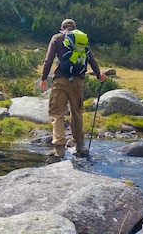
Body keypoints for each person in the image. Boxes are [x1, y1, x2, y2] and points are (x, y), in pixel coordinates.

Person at [40, 18, 107, 164]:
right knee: (77, 112)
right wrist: (99, 75)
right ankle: (80, 146)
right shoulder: (82, 39)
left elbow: (49, 60)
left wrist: (44, 78)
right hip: (78, 82)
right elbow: (91, 59)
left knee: (57, 113)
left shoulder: (57, 38)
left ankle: (59, 148)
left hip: (60, 81)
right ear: (75, 28)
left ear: (62, 28)